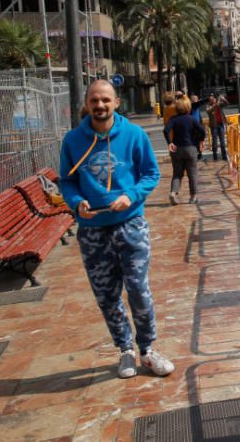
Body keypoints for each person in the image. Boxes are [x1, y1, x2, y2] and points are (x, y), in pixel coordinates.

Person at [59, 79, 173, 379]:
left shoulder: (134, 135)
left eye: (106, 100)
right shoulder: (72, 141)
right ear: (87, 104)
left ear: (116, 102)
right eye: (95, 100)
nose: (100, 105)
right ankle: (125, 350)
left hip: (130, 225)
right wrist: (77, 201)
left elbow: (151, 173)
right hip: (92, 231)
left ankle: (147, 350)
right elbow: (67, 181)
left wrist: (131, 196)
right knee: (107, 295)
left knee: (138, 288)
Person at [163, 95, 204, 204]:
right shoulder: (191, 119)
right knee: (192, 174)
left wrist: (170, 143)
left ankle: (173, 192)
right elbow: (202, 131)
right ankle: (193, 197)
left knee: (177, 173)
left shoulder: (173, 119)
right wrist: (200, 140)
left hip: (176, 149)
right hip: (190, 148)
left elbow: (165, 130)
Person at [206, 94, 228, 161]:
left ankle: (224, 156)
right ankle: (215, 156)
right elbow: (209, 111)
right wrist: (216, 105)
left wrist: (224, 99)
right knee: (214, 141)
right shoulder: (208, 106)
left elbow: (226, 104)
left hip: (221, 124)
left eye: (213, 99)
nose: (213, 100)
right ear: (210, 101)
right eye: (211, 100)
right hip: (214, 126)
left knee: (222, 141)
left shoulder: (219, 104)